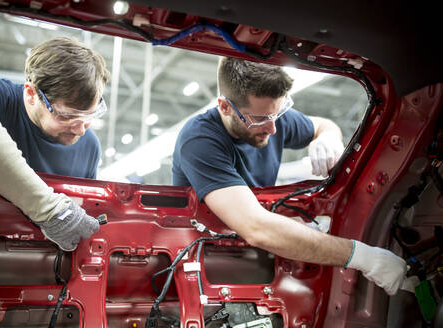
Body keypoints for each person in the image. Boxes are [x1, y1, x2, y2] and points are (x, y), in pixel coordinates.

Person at [172, 57, 406, 295]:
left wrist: (329, 138)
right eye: (260, 119)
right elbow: (256, 228)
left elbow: (322, 126)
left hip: (258, 257)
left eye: (278, 113)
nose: (273, 129)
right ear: (225, 107)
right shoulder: (199, 140)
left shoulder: (270, 116)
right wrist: (366, 258)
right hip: (206, 266)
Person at [0, 37, 110, 251]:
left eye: (90, 116)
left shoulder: (89, 145)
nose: (81, 130)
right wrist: (49, 210)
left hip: (44, 267)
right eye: (66, 116)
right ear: (31, 94)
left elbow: (80, 217)